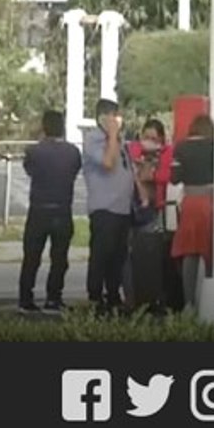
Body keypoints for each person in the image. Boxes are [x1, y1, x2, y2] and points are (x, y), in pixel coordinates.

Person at [18, 110, 82, 314]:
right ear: (62, 127)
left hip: (39, 209)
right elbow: (74, 172)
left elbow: (30, 170)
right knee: (60, 258)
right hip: (62, 209)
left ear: (44, 127)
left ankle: (26, 299)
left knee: (31, 257)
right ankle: (54, 298)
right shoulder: (73, 152)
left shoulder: (34, 151)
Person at [82, 98, 135, 312]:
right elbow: (107, 163)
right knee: (102, 254)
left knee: (117, 256)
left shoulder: (118, 142)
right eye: (113, 117)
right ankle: (95, 296)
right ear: (103, 118)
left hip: (122, 208)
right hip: (105, 208)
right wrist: (112, 134)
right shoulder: (94, 140)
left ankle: (113, 294)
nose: (117, 121)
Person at [123, 119, 173, 306]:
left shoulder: (167, 152)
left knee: (151, 253)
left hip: (154, 207)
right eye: (146, 137)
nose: (150, 141)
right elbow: (131, 155)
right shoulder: (133, 148)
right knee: (128, 254)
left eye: (154, 138)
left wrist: (151, 173)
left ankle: (151, 296)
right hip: (131, 205)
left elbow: (167, 175)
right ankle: (131, 296)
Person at [170, 115, 214, 313]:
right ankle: (213, 297)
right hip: (211, 202)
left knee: (190, 252)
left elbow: (174, 178)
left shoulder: (181, 147)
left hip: (190, 203)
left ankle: (189, 302)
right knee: (212, 250)